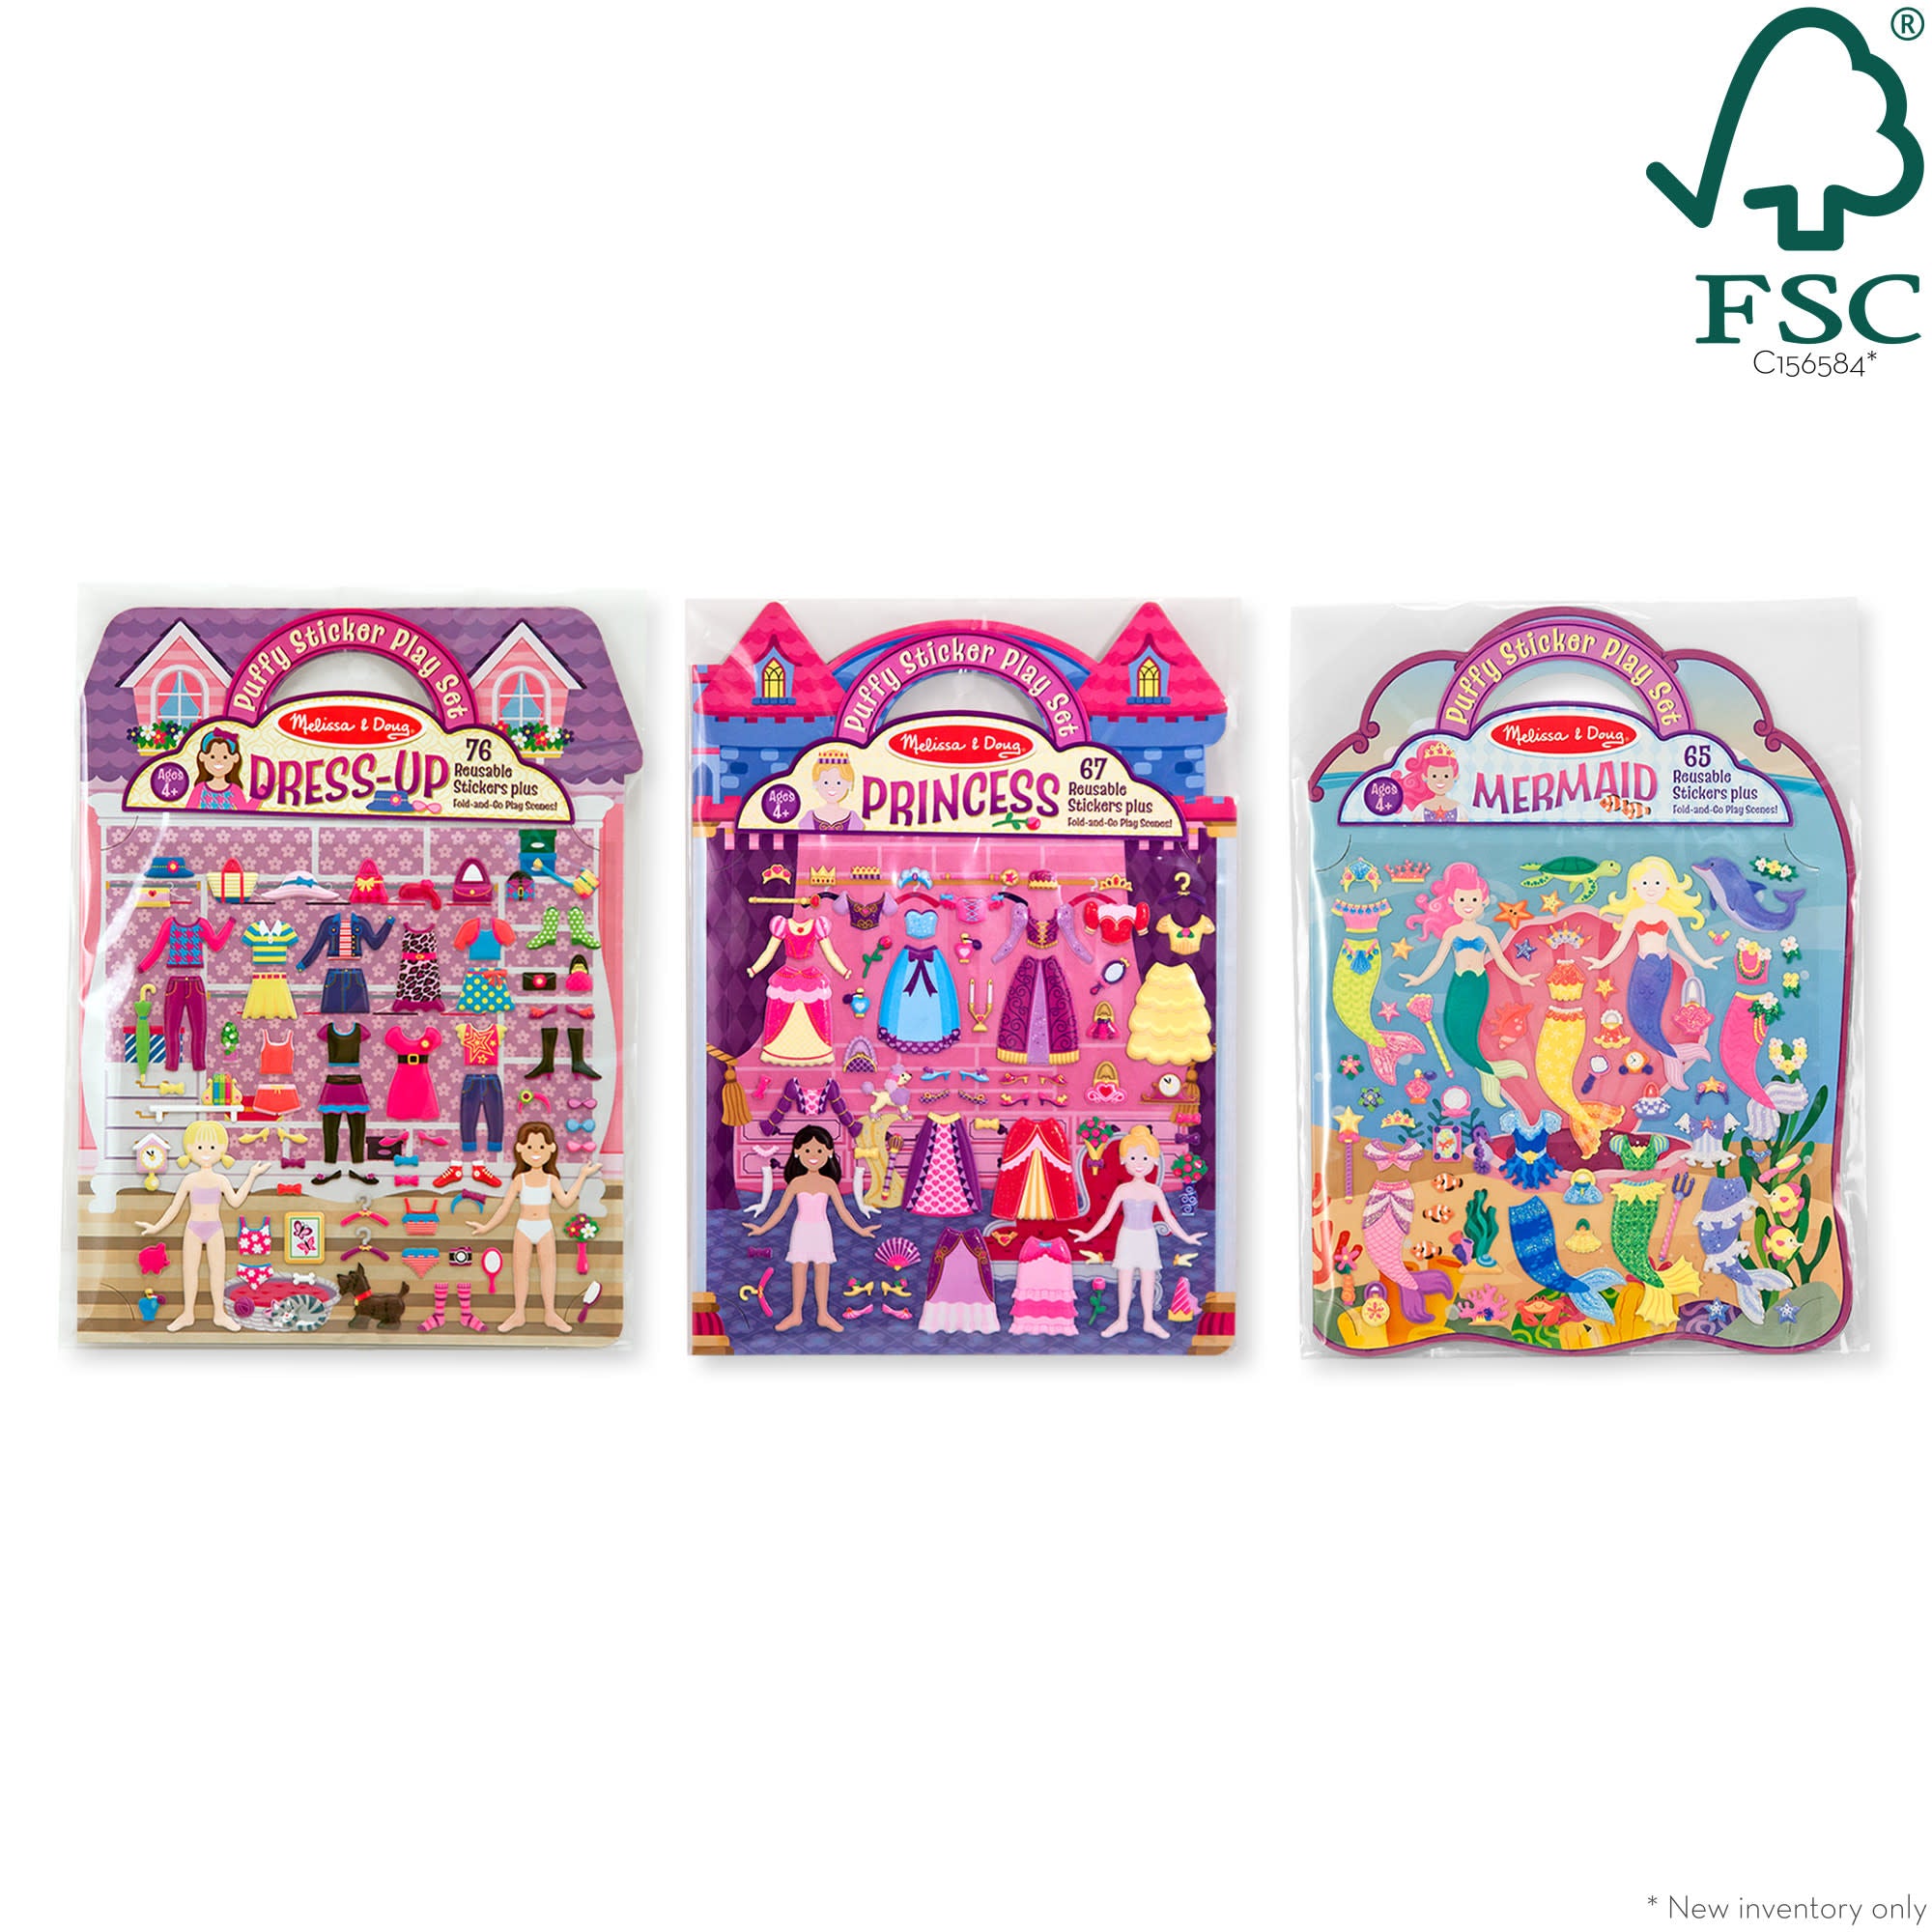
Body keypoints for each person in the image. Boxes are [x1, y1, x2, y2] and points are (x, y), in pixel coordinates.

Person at [466, 1120, 599, 1332]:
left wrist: (582, 1175)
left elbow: (566, 1201)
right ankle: (518, 1314)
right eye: (530, 1147)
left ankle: (550, 1314)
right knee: (520, 1272)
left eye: (541, 1147)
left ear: (551, 1148)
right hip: (524, 1228)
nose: (536, 1152)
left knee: (549, 1272)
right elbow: (504, 1208)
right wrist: (486, 1227)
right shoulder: (520, 1179)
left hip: (544, 1228)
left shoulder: (551, 1180)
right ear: (520, 1148)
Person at [136, 1120, 270, 1330]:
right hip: (193, 1229)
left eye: (212, 1147)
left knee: (218, 1272)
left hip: (215, 1229)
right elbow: (174, 1207)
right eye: (200, 1147)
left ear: (221, 1150)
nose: (206, 1152)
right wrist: (156, 1227)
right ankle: (188, 1314)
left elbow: (236, 1202)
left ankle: (220, 1314)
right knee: (189, 1272)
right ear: (190, 1149)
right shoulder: (189, 1179)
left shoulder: (221, 1180)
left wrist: (252, 1175)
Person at [1074, 1124, 1200, 1340]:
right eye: (1133, 1158)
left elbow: (1169, 1218)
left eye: (1145, 1158)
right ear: (1124, 1160)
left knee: (1148, 1278)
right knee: (1124, 1278)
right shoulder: (1122, 1190)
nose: (1139, 1163)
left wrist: (1186, 1237)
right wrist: (1088, 1235)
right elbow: (1106, 1217)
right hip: (1127, 1237)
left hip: (1147, 1238)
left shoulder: (1155, 1191)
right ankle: (1121, 1320)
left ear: (1154, 1160)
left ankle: (1149, 1321)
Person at [742, 1124, 869, 1333]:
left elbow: (843, 1211)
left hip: (822, 1232)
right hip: (801, 1231)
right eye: (807, 1150)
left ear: (829, 1153)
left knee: (822, 1271)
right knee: (798, 1271)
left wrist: (860, 1230)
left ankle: (823, 1314)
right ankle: (796, 1314)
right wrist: (762, 1229)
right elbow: (780, 1210)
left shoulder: (829, 1183)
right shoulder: (796, 1183)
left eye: (819, 1150)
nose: (813, 1155)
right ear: (797, 1152)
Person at [183, 728, 253, 811]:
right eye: (212, 757)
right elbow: (188, 812)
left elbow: (246, 811)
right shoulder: (200, 788)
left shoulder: (234, 790)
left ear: (235, 758)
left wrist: (262, 791)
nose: (218, 761)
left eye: (225, 757)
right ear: (202, 757)